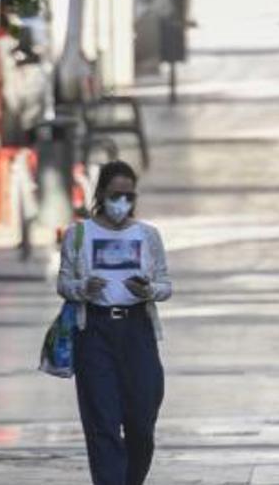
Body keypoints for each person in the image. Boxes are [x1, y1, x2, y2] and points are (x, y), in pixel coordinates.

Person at [57, 160, 172, 485]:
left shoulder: (148, 235)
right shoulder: (78, 234)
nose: (121, 202)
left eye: (127, 195)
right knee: (102, 421)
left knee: (141, 421)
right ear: (101, 194)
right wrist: (83, 289)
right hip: (94, 331)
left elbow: (166, 285)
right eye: (114, 194)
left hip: (137, 331)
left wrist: (148, 290)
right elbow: (63, 283)